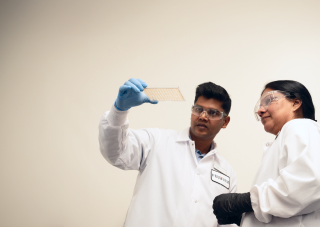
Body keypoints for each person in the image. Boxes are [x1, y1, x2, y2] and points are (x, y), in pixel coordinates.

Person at [99, 78, 238, 227]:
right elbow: (115, 153)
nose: (203, 116)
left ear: (225, 122)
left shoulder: (227, 173)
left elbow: (227, 223)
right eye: (198, 109)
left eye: (213, 113)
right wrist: (119, 110)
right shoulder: (157, 141)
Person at [212, 80, 320, 226]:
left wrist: (246, 202)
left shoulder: (301, 126)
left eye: (269, 100)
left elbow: (310, 183)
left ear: (295, 103)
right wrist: (245, 216)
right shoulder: (283, 139)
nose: (260, 110)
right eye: (260, 105)